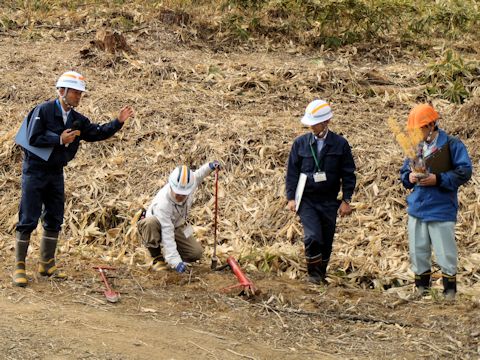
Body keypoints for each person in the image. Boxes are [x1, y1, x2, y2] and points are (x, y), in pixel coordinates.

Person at [13, 71, 134, 287]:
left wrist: (117, 122)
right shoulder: (43, 110)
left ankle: (47, 263)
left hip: (56, 171)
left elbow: (96, 132)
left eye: (80, 93)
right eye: (75, 93)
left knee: (54, 217)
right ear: (62, 91)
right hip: (34, 170)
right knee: (28, 217)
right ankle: (19, 267)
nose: (78, 97)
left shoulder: (77, 119)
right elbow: (33, 137)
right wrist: (59, 139)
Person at [400, 104, 472, 300]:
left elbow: (464, 171)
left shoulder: (452, 144)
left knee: (445, 252)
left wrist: (438, 179)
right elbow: (404, 173)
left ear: (431, 125)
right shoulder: (416, 147)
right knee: (418, 250)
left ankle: (449, 292)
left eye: (418, 129)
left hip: (441, 207)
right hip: (417, 207)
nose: (415, 133)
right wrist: (410, 178)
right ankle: (421, 288)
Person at [286, 99, 356, 284]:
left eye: (313, 123)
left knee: (326, 239)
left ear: (326, 122)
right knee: (312, 236)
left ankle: (321, 274)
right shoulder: (300, 144)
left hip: (329, 201)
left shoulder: (340, 144)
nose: (310, 127)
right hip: (307, 199)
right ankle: (313, 276)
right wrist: (291, 198)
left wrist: (346, 200)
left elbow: (348, 174)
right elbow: (292, 172)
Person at [137, 161, 221, 273]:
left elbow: (199, 175)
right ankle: (157, 257)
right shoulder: (163, 204)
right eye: (177, 192)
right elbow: (167, 235)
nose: (180, 196)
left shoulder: (189, 184)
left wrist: (210, 166)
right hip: (158, 223)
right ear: (171, 185)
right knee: (150, 223)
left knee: (196, 253)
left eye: (183, 194)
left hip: (177, 224)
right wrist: (175, 262)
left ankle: (177, 256)